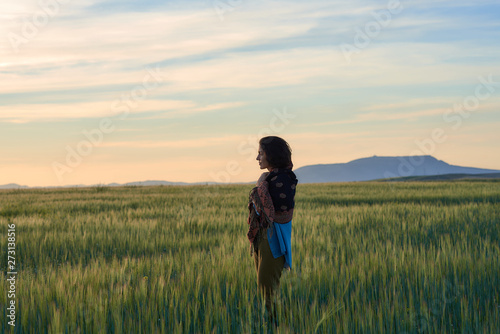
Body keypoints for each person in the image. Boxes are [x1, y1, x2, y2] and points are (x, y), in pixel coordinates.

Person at [247, 136, 298, 325]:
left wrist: (261, 185)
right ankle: (273, 323)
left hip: (273, 240)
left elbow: (277, 211)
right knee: (264, 288)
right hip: (262, 237)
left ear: (272, 155)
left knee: (267, 288)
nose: (257, 158)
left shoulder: (284, 180)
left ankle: (278, 325)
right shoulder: (271, 178)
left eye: (261, 153)